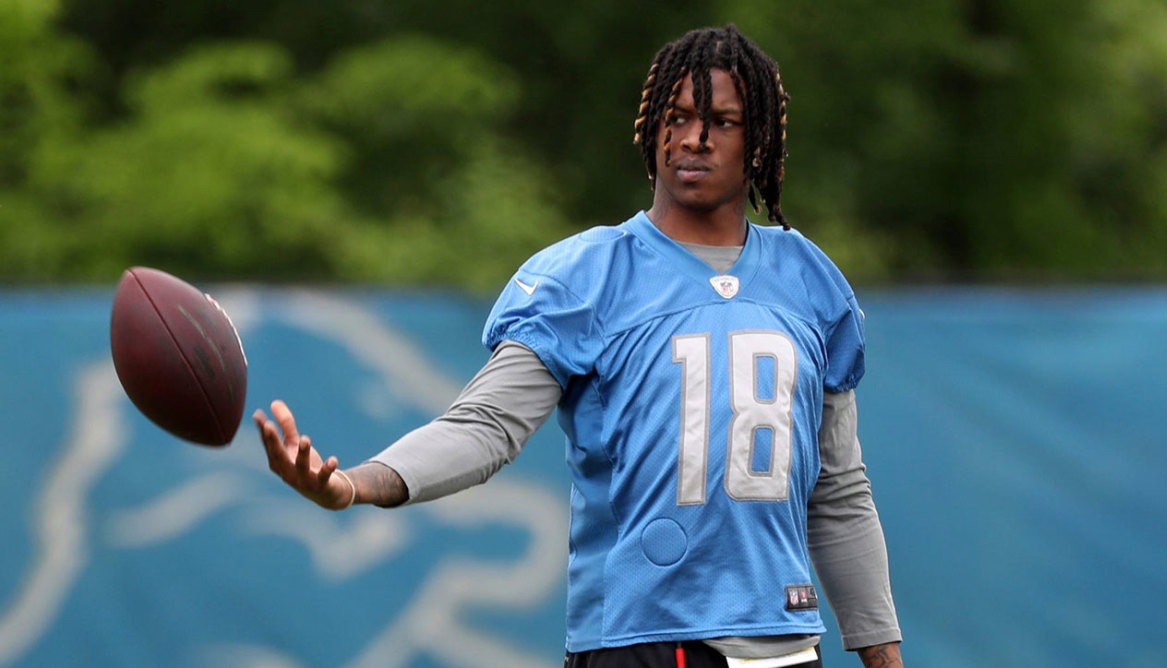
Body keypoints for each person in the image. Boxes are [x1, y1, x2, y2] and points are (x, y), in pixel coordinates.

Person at [255, 24, 903, 668]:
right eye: (677, 117)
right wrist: (356, 484)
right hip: (644, 640)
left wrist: (883, 655)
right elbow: (485, 426)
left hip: (788, 645)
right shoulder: (589, 275)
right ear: (651, 128)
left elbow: (839, 493)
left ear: (758, 140)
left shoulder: (809, 279)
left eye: (722, 122)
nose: (693, 138)